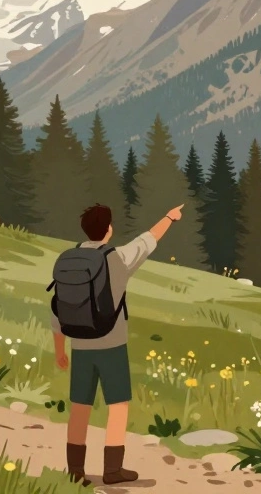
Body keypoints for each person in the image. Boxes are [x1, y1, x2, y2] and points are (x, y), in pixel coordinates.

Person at [52, 202, 184, 485]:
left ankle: (75, 471)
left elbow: (58, 306)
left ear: (85, 230)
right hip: (111, 343)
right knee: (118, 405)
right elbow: (148, 239)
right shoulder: (119, 257)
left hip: (79, 343)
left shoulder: (69, 260)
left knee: (80, 406)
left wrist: (59, 349)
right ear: (109, 229)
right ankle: (112, 470)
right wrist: (170, 217)